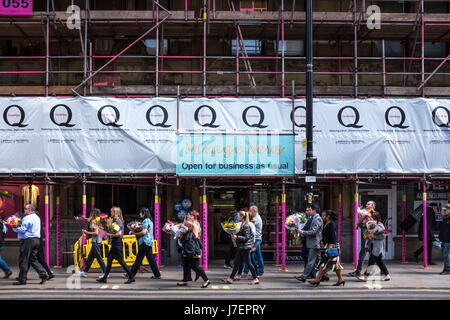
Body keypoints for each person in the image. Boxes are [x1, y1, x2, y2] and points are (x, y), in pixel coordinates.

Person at [12, 204, 48, 285]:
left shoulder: (27, 218)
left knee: (24, 260)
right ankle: (43, 274)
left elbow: (22, 229)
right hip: (36, 240)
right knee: (32, 259)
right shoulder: (36, 217)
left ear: (30, 210)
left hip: (28, 240)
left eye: (25, 209)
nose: (24, 210)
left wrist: (14, 226)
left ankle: (22, 280)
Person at [97, 207, 133, 283]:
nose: (111, 213)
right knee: (109, 259)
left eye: (112, 212)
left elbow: (119, 234)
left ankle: (131, 276)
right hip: (115, 243)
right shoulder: (115, 221)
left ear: (115, 213)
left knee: (120, 261)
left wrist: (109, 234)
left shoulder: (118, 221)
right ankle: (105, 277)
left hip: (117, 243)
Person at [309, 210, 344, 287]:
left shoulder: (331, 224)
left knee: (324, 264)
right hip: (329, 245)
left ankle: (317, 279)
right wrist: (323, 241)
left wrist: (324, 242)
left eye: (323, 216)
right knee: (336, 265)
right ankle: (340, 279)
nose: (322, 217)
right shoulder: (326, 223)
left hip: (332, 246)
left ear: (328, 217)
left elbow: (331, 236)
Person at [126, 207, 161, 284]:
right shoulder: (150, 221)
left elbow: (143, 232)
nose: (139, 214)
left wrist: (134, 233)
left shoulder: (145, 221)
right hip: (150, 242)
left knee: (138, 259)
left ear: (144, 214)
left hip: (145, 242)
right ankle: (157, 274)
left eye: (140, 213)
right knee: (151, 259)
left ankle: (131, 276)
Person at [177, 210, 210, 288]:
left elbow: (195, 236)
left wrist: (184, 231)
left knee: (195, 266)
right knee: (185, 263)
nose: (187, 217)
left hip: (193, 248)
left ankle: (207, 280)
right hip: (187, 247)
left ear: (193, 217)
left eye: (188, 215)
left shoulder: (194, 224)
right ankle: (185, 280)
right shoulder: (189, 224)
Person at [226, 211, 259, 285]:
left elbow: (246, 237)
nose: (237, 217)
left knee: (249, 263)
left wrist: (237, 237)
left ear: (242, 217)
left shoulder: (246, 225)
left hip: (245, 248)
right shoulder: (242, 225)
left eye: (238, 216)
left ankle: (255, 278)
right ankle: (231, 278)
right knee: (236, 263)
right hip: (242, 247)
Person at [357, 211, 391, 282]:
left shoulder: (380, 225)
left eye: (371, 217)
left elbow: (383, 235)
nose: (370, 218)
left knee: (371, 261)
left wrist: (373, 236)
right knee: (379, 261)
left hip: (377, 247)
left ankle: (366, 276)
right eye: (370, 217)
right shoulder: (372, 225)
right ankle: (387, 275)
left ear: (375, 218)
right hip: (374, 245)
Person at [295, 204, 323, 283]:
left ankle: (304, 276)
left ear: (314, 210)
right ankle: (323, 275)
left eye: (309, 210)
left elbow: (314, 232)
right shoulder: (312, 218)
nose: (308, 212)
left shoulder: (317, 219)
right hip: (311, 243)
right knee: (318, 261)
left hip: (314, 243)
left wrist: (302, 232)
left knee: (311, 261)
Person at [349, 200, 376, 277]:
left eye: (369, 204)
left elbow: (372, 225)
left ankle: (364, 271)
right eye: (367, 203)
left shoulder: (373, 214)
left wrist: (365, 221)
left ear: (373, 206)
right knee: (364, 252)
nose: (367, 205)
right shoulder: (364, 212)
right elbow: (361, 223)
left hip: (369, 235)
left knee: (367, 252)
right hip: (365, 234)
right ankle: (360, 270)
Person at [79, 208, 107, 278]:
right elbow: (102, 231)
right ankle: (85, 272)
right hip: (97, 241)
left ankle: (105, 272)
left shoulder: (95, 221)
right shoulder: (99, 220)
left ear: (93, 214)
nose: (90, 214)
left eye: (91, 213)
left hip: (96, 242)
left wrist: (87, 232)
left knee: (99, 258)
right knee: (90, 258)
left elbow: (96, 233)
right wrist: (83, 218)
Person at [34, 211, 55, 280]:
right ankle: (49, 273)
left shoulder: (34, 222)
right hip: (38, 242)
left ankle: (46, 273)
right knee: (37, 259)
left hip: (35, 242)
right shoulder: (38, 222)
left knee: (32, 259)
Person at [244, 205, 264, 276]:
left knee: (250, 256)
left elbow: (248, 225)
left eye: (250, 211)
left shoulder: (257, 219)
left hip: (256, 239)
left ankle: (254, 271)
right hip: (256, 239)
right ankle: (259, 270)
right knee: (257, 255)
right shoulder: (254, 217)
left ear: (255, 212)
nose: (249, 212)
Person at [439, 204, 450, 275]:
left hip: (448, 240)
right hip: (443, 239)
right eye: (444, 210)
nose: (444, 211)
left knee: (446, 255)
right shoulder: (445, 218)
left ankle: (448, 269)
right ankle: (446, 268)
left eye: (445, 210)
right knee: (444, 255)